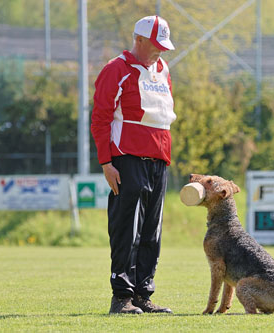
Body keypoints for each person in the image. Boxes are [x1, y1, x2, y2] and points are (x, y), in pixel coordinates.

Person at [90, 15, 176, 315]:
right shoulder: (116, 69)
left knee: (152, 231)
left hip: (159, 161)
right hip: (127, 159)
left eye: (164, 46)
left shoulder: (163, 70)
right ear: (138, 40)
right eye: (156, 45)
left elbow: (164, 117)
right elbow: (100, 118)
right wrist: (106, 162)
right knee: (128, 229)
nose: (161, 51)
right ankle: (121, 297)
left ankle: (142, 294)